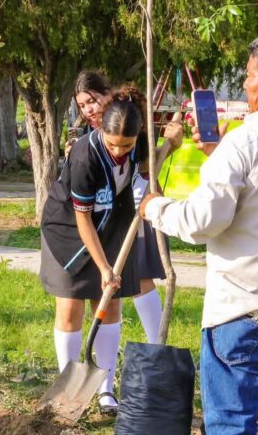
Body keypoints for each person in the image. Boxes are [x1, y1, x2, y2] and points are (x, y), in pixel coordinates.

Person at [141, 28, 258, 434]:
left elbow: (200, 222)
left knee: (231, 426)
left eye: (249, 77)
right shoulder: (241, 144)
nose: (245, 86)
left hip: (242, 311)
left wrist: (155, 208)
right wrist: (216, 156)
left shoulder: (246, 141)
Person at [41, 85, 183, 415]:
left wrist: (170, 148)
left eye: (127, 146)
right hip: (70, 231)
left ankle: (105, 391)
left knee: (110, 307)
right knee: (71, 306)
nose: (119, 152)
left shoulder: (140, 143)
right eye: (113, 144)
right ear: (102, 131)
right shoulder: (84, 156)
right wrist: (104, 268)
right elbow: (83, 218)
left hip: (114, 224)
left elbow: (151, 182)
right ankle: (68, 392)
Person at [71, 70, 182, 345]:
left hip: (138, 205)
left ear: (108, 96)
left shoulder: (129, 122)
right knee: (121, 281)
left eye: (93, 101)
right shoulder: (91, 133)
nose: (88, 110)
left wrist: (170, 145)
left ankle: (158, 347)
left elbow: (145, 166)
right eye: (82, 105)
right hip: (107, 215)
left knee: (141, 277)